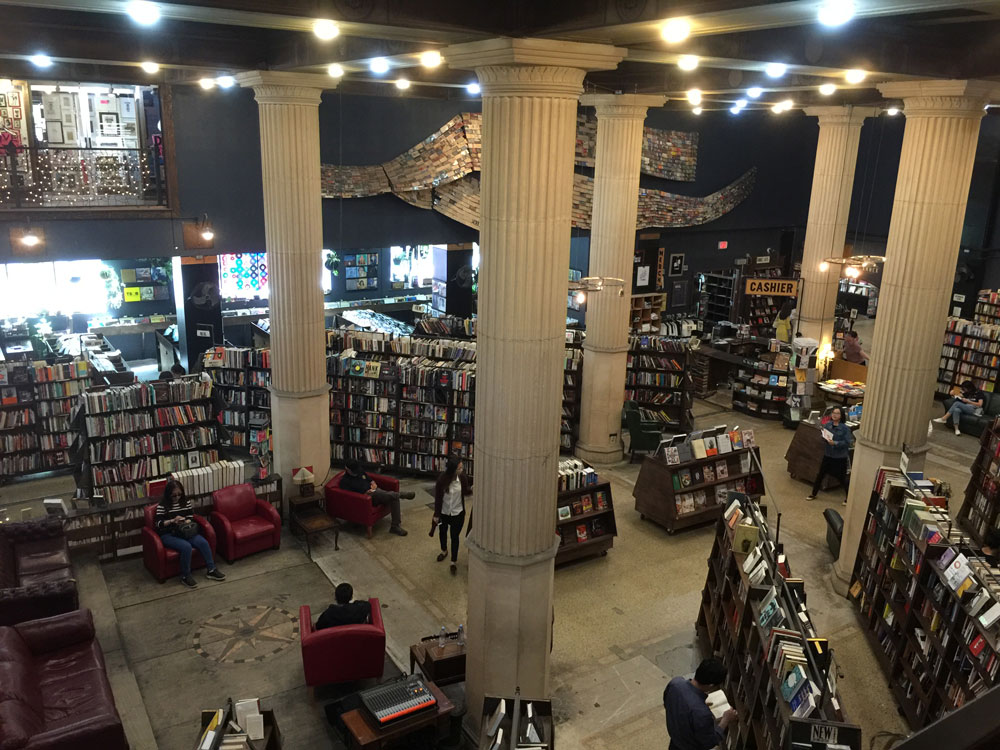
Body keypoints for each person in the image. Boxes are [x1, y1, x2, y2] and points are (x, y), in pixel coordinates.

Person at [154, 478, 226, 587]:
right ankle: (185, 576)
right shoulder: (162, 506)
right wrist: (172, 521)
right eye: (174, 495)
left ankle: (211, 569)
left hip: (185, 530)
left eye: (179, 494)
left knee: (203, 542)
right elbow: (158, 524)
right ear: (168, 494)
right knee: (186, 547)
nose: (177, 498)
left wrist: (185, 520)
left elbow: (190, 517)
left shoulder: (185, 502)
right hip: (168, 534)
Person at [663, 657, 737, 750]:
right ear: (711, 685)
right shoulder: (702, 713)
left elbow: (667, 704)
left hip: (675, 740)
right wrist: (725, 719)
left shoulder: (675, 683)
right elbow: (710, 741)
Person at [339, 458, 414, 536]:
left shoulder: (359, 471)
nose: (357, 473)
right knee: (391, 496)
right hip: (367, 499)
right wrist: (365, 494)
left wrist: (373, 483)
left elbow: (369, 479)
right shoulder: (345, 482)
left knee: (393, 498)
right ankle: (399, 495)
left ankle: (395, 526)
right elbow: (351, 497)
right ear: (348, 470)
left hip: (375, 491)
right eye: (354, 472)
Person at [432, 456, 473, 574]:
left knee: (455, 537)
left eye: (461, 468)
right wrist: (436, 514)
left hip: (458, 512)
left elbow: (465, 491)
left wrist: (473, 490)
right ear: (453, 470)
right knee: (442, 532)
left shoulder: (463, 478)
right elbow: (438, 499)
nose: (461, 470)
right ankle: (444, 550)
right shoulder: (442, 480)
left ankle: (453, 561)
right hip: (444, 512)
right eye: (459, 468)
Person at [807, 406, 853, 503]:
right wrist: (824, 437)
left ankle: (848, 498)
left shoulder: (845, 428)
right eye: (833, 413)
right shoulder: (828, 425)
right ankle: (813, 493)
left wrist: (835, 443)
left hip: (839, 457)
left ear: (841, 416)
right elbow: (825, 436)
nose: (834, 415)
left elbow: (848, 442)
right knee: (821, 474)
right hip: (828, 454)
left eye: (837, 413)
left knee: (841, 478)